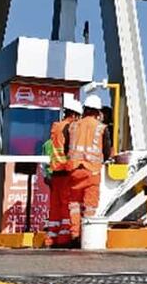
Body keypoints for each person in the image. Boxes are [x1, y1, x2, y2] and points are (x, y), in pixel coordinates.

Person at [64, 93, 111, 246]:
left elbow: (66, 149)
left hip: (74, 171)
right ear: (98, 112)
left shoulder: (72, 126)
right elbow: (107, 152)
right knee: (90, 206)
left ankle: (75, 235)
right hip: (92, 171)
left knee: (74, 204)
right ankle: (87, 236)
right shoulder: (101, 128)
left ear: (85, 109)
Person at [44, 94, 81, 248]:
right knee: (66, 206)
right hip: (66, 172)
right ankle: (64, 238)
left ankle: (51, 238)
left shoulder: (56, 127)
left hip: (55, 172)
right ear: (74, 114)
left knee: (55, 207)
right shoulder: (70, 128)